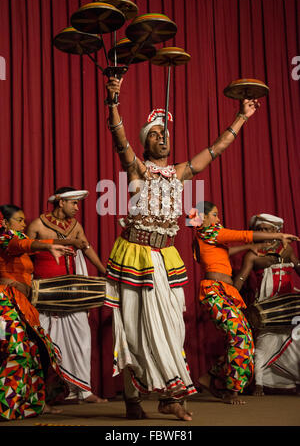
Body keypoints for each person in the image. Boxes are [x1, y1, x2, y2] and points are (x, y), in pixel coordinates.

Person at [104, 76, 261, 420]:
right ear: (146, 144)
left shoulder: (180, 172)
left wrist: (242, 117)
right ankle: (134, 398)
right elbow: (119, 139)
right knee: (133, 328)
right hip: (134, 256)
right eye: (156, 135)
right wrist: (113, 101)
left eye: (166, 135)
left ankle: (168, 394)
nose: (163, 139)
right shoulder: (138, 170)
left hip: (166, 259)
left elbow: (216, 150)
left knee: (172, 327)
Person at [190, 202, 299, 405]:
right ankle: (233, 390)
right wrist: (277, 236)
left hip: (225, 292)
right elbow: (244, 234)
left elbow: (225, 252)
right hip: (215, 291)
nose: (218, 219)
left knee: (245, 339)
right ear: (203, 218)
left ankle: (209, 377)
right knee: (240, 337)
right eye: (214, 215)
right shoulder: (210, 231)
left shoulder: (207, 236)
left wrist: (247, 247)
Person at [0, 204, 84, 420]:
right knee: (17, 350)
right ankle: (6, 405)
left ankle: (33, 403)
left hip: (20, 303)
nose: (24, 224)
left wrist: (66, 243)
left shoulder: (17, 239)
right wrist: (49, 247)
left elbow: (34, 244)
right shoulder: (5, 239)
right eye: (19, 220)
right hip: (5, 303)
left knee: (35, 352)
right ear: (6, 223)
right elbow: (25, 243)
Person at [26, 187, 107, 403]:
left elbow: (87, 248)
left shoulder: (75, 226)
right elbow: (24, 250)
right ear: (61, 202)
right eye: (74, 203)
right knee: (43, 343)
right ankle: (39, 396)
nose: (77, 208)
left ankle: (83, 391)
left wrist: (103, 270)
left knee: (82, 337)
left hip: (73, 292)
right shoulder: (37, 225)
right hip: (45, 294)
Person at [233, 213, 300, 396]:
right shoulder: (253, 254)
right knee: (262, 346)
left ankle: (295, 381)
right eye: (260, 229)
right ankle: (259, 384)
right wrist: (229, 296)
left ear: (276, 231)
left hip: (288, 305)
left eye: (267, 229)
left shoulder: (288, 250)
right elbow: (242, 278)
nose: (263, 232)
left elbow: (298, 268)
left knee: (296, 344)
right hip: (266, 306)